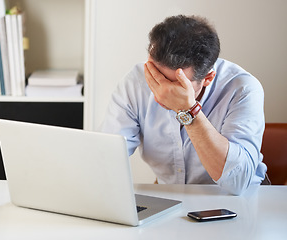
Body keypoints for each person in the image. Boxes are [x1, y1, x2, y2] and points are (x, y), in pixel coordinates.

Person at [101, 15, 267, 195]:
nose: (162, 92)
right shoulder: (135, 82)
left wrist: (189, 112)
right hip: (171, 197)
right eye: (157, 77)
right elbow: (105, 156)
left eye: (177, 85)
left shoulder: (243, 88)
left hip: (240, 199)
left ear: (207, 79)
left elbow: (238, 180)